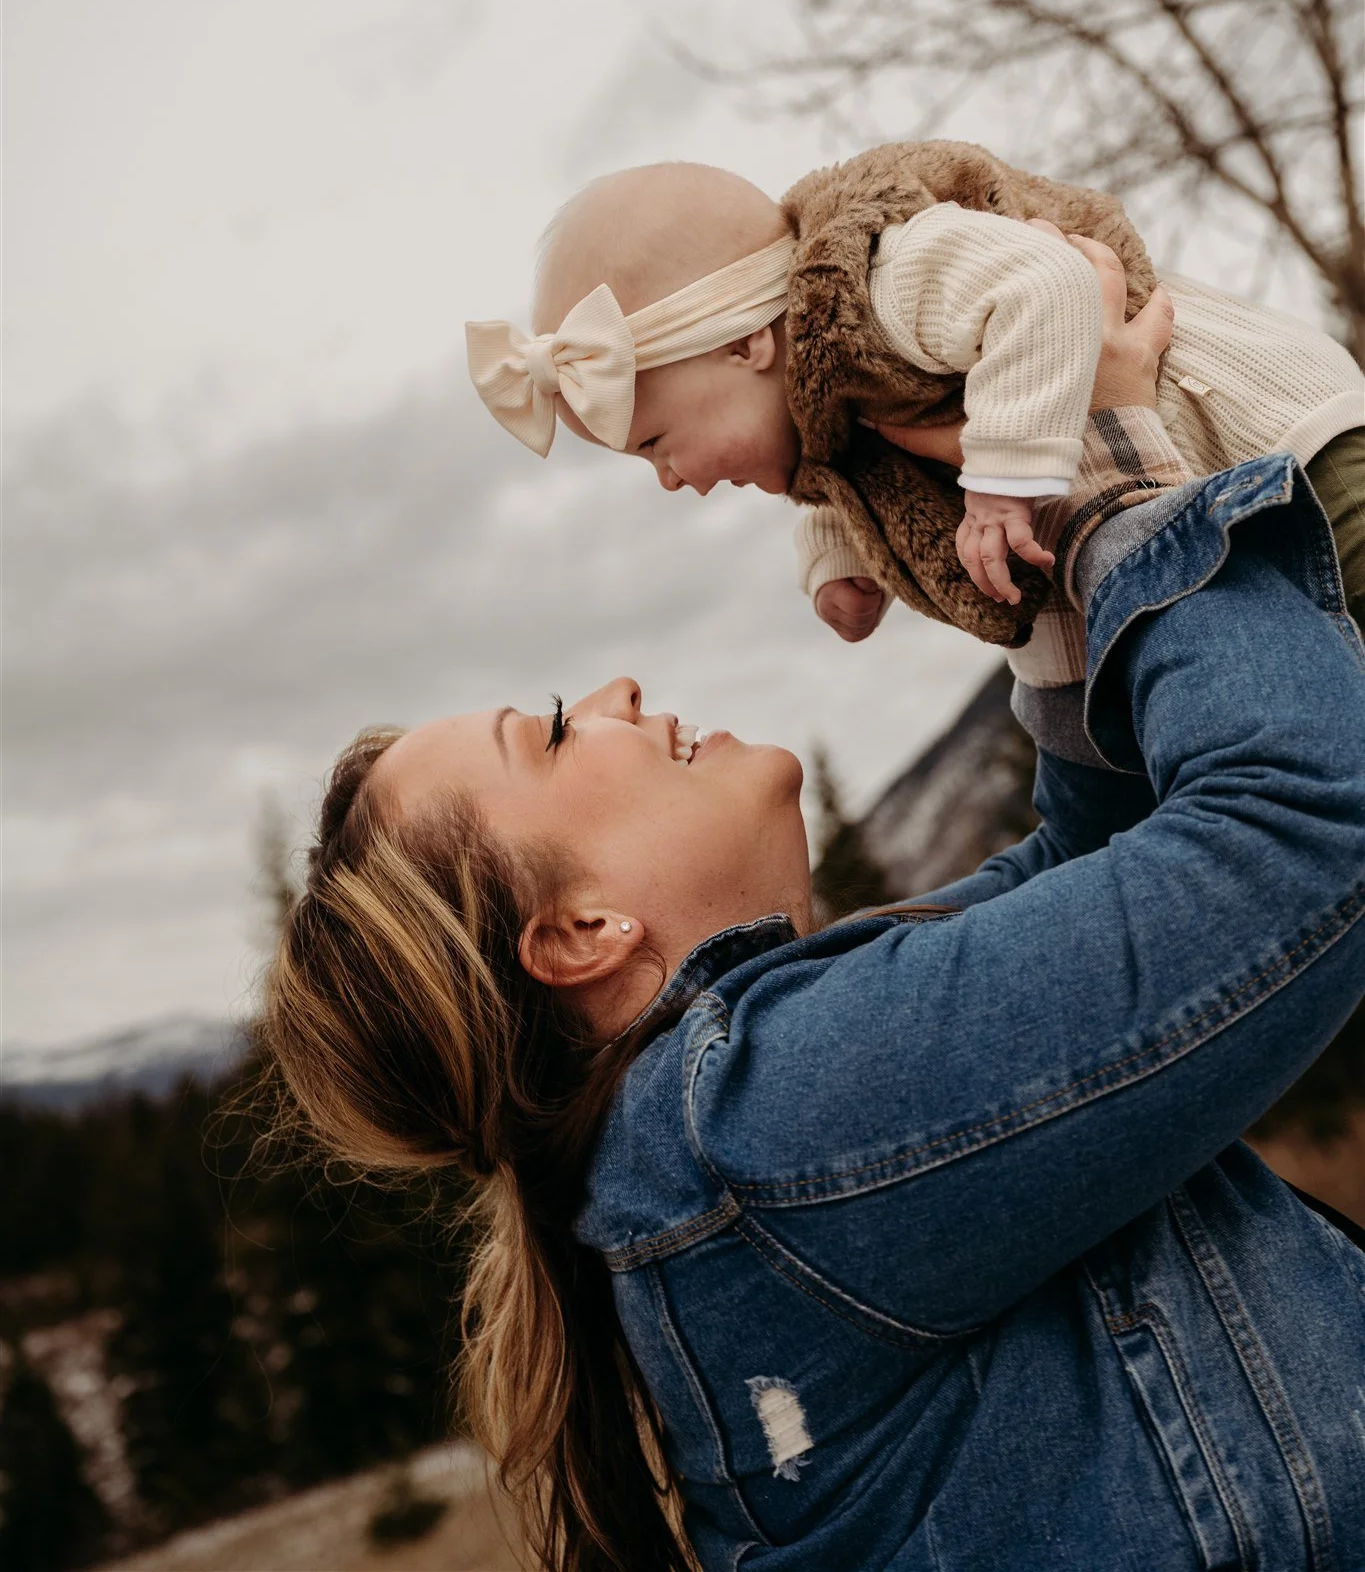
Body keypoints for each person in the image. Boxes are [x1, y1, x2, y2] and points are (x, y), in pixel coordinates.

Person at [267, 324, 1365, 1570]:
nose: (621, 689)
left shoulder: (745, 1114)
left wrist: (1017, 482)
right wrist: (1116, 462)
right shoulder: (761, 1125)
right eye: (560, 730)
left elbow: (1105, 852)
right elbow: (1304, 816)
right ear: (578, 933)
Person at [465, 148, 1364, 758]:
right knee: (1072, 725)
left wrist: (1000, 485)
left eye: (656, 443)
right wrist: (838, 560)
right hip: (1161, 528)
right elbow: (841, 475)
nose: (671, 479)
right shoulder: (820, 409)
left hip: (1275, 443)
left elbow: (1044, 284)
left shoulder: (885, 280)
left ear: (745, 344)